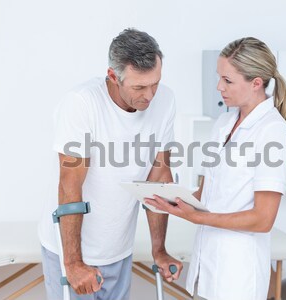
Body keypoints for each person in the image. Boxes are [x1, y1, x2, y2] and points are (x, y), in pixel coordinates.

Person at [145, 37, 286, 300]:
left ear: (256, 83)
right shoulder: (224, 123)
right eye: (219, 78)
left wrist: (197, 217)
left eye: (228, 81)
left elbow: (263, 219)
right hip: (207, 272)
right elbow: (207, 195)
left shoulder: (273, 133)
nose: (219, 87)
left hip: (237, 280)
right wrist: (171, 199)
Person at [38, 28, 183, 300]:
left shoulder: (165, 101)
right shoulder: (81, 103)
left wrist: (159, 250)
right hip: (71, 250)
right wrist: (72, 263)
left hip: (118, 247)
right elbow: (70, 185)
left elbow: (159, 176)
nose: (150, 95)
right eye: (139, 87)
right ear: (114, 76)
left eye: (155, 83)